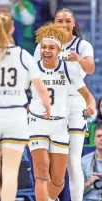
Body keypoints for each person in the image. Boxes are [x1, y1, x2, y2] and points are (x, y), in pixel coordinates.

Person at [0, 13, 51, 201]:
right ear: (12, 28)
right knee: (11, 171)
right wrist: (47, 107)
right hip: (15, 115)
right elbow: (41, 88)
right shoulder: (23, 55)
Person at [28, 23, 96, 201]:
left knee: (58, 181)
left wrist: (90, 105)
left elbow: (89, 97)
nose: (47, 51)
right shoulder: (31, 68)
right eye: (43, 47)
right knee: (41, 172)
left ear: (59, 50)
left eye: (51, 47)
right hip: (37, 123)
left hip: (60, 125)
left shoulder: (68, 69)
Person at [82, 124, 102, 201]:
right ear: (94, 140)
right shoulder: (84, 161)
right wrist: (88, 184)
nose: (101, 138)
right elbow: (74, 192)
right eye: (98, 136)